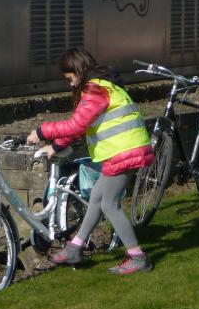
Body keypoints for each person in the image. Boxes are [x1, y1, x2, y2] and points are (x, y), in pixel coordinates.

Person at [27, 48, 155, 274]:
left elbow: (76, 125)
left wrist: (42, 131)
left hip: (124, 151)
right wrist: (56, 145)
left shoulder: (95, 90)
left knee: (109, 204)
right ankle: (76, 248)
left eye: (70, 78)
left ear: (78, 70)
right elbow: (82, 124)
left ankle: (138, 258)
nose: (70, 84)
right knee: (97, 197)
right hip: (126, 149)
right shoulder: (103, 86)